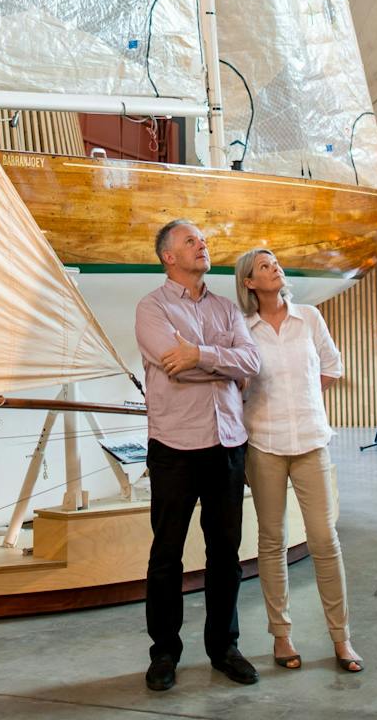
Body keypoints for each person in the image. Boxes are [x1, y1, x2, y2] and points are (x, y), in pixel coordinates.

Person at [135, 219, 262, 692]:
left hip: (227, 444)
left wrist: (200, 356)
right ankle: (164, 652)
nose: (201, 245)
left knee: (225, 554)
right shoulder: (151, 308)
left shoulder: (228, 309)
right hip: (173, 446)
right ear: (168, 256)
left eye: (202, 240)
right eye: (191, 240)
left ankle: (223, 647)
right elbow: (173, 366)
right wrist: (219, 364)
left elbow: (252, 363)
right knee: (166, 555)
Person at [234, 247, 363, 674]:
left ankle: (341, 639)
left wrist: (302, 402)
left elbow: (331, 365)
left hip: (311, 440)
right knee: (271, 542)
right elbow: (239, 382)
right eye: (265, 266)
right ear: (250, 282)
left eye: (276, 263)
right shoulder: (243, 327)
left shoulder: (309, 317)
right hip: (264, 444)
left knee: (325, 539)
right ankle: (282, 635)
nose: (276, 269)